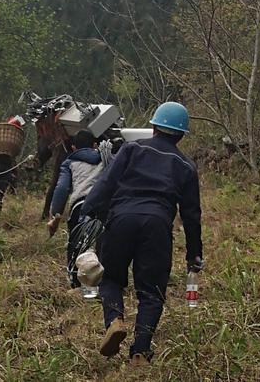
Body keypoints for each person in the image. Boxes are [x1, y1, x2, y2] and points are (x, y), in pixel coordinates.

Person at [80, 101, 204, 365]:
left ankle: (114, 320)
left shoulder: (131, 149)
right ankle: (140, 352)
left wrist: (88, 213)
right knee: (151, 291)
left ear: (154, 127)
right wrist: (194, 255)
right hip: (157, 227)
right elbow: (192, 216)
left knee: (111, 279)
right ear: (181, 134)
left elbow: (106, 183)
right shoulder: (186, 166)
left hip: (121, 219)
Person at [46, 130, 105, 289]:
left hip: (80, 207)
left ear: (73, 147)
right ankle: (102, 285)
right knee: (102, 245)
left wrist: (55, 213)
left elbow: (62, 188)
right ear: (94, 145)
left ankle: (77, 284)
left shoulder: (69, 162)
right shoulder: (105, 158)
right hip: (104, 207)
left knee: (76, 246)